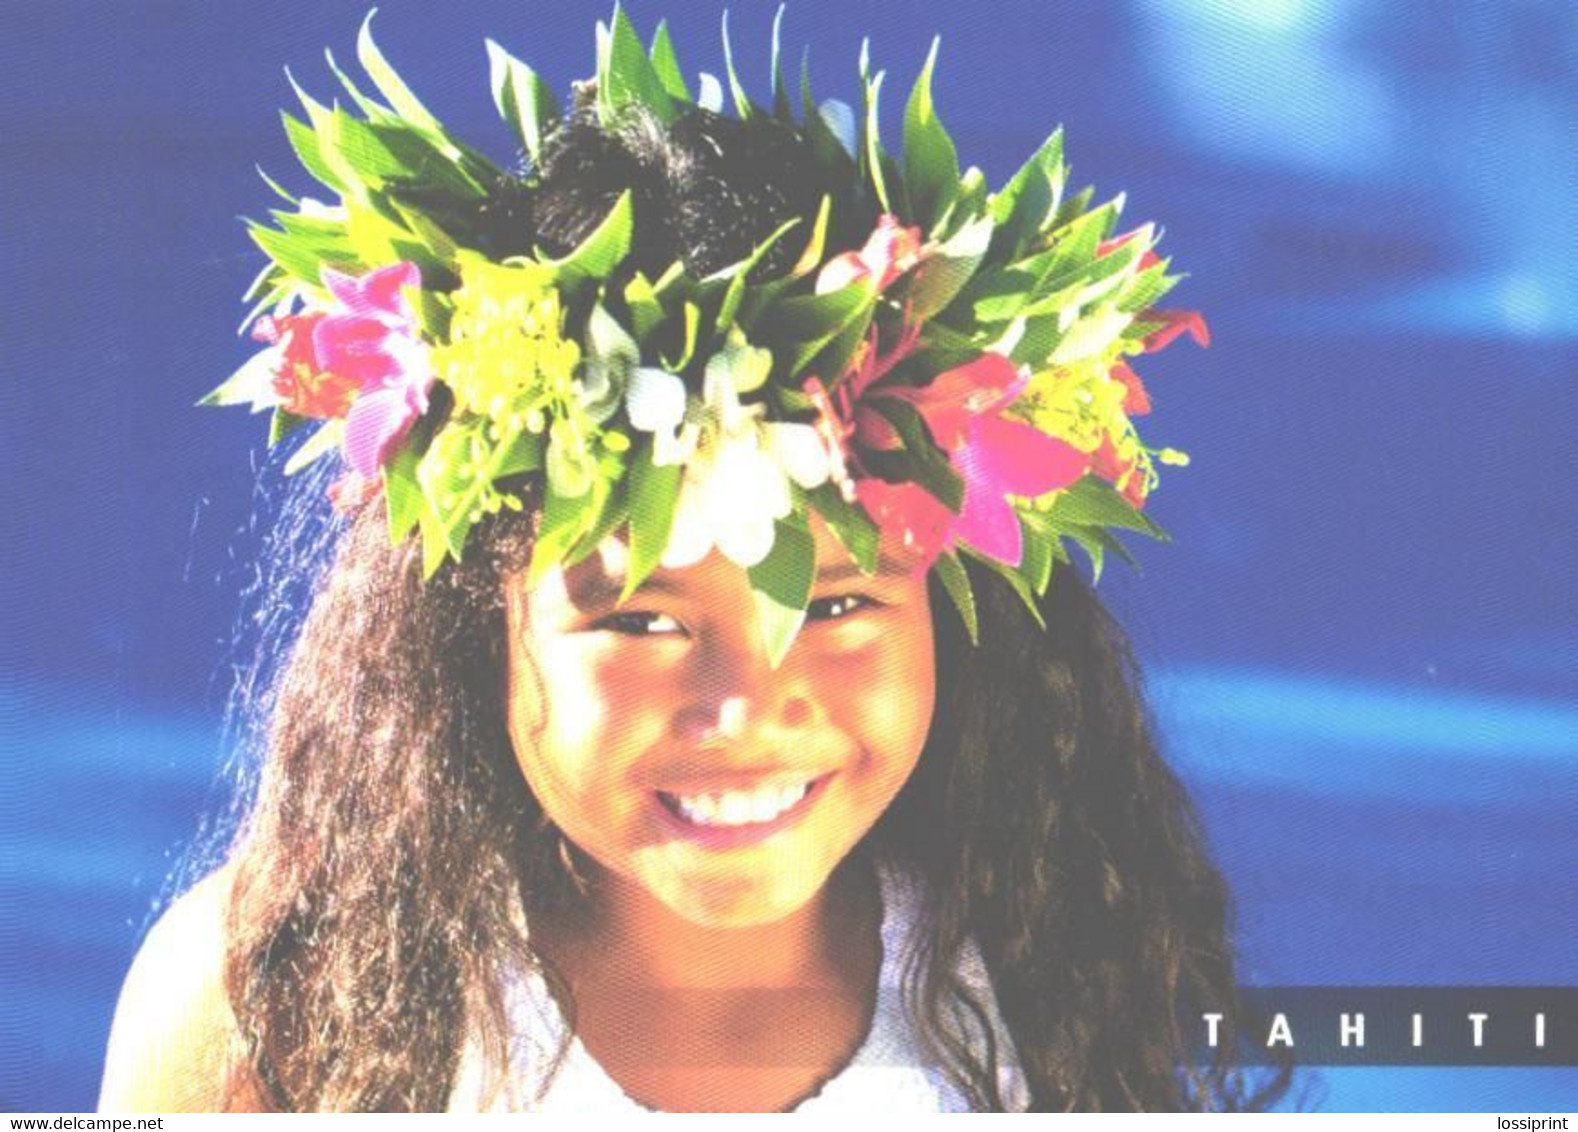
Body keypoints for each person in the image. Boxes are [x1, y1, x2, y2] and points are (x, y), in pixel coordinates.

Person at [97, 11, 1291, 1112]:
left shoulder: (1050, 962)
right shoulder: (271, 1004)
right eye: (643, 619)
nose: (743, 705)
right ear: (477, 612)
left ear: (953, 597)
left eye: (833, 601)